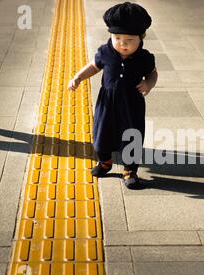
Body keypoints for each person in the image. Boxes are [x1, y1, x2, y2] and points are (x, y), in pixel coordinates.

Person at [68, 2, 158, 189]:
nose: (123, 43)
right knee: (101, 135)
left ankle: (130, 170)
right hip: (107, 103)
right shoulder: (106, 51)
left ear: (141, 38)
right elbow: (94, 65)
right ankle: (105, 162)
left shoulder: (144, 57)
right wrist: (78, 77)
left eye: (129, 40)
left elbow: (152, 73)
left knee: (132, 136)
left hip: (131, 105)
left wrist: (148, 83)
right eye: (117, 38)